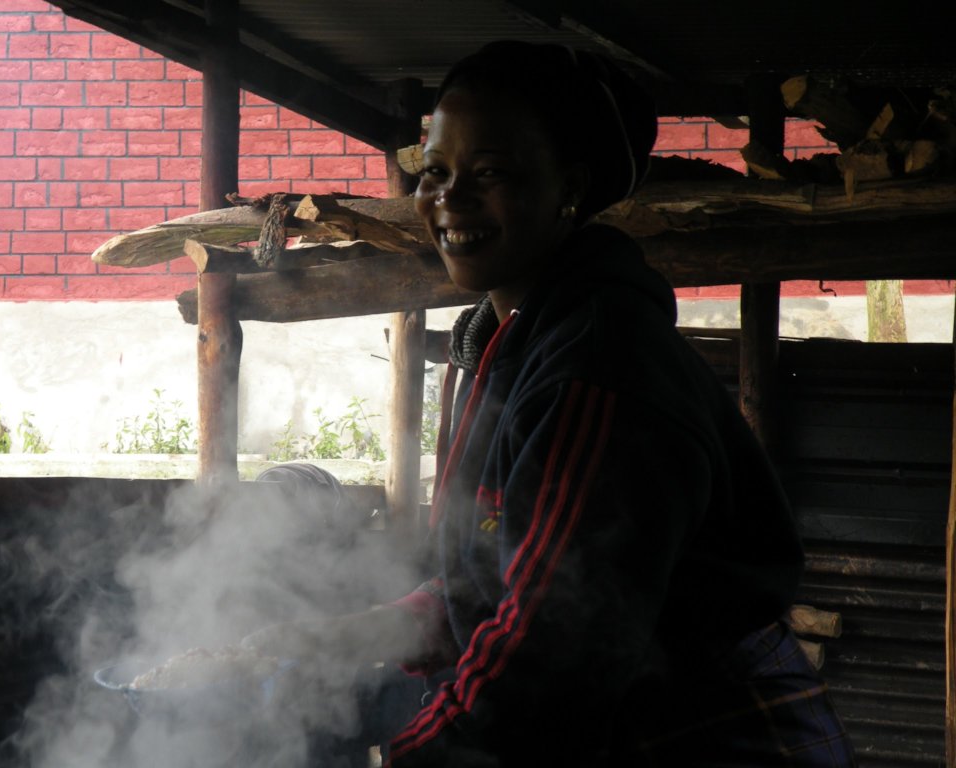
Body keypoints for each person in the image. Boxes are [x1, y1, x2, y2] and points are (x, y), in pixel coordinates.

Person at [244, 40, 856, 767]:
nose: (450, 198)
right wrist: (333, 639)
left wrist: (392, 760)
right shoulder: (501, 344)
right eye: (434, 171)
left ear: (569, 187)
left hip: (713, 741)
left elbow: (551, 654)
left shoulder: (596, 371)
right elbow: (492, 585)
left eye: (492, 172)